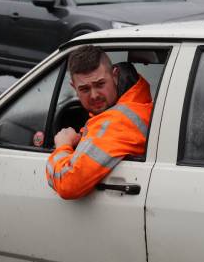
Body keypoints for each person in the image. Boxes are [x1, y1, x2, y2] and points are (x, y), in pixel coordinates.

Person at [46, 45, 153, 200]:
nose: (94, 95)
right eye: (84, 89)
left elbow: (67, 184)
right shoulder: (136, 102)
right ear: (74, 87)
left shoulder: (118, 122)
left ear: (115, 75)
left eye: (100, 84)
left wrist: (63, 146)